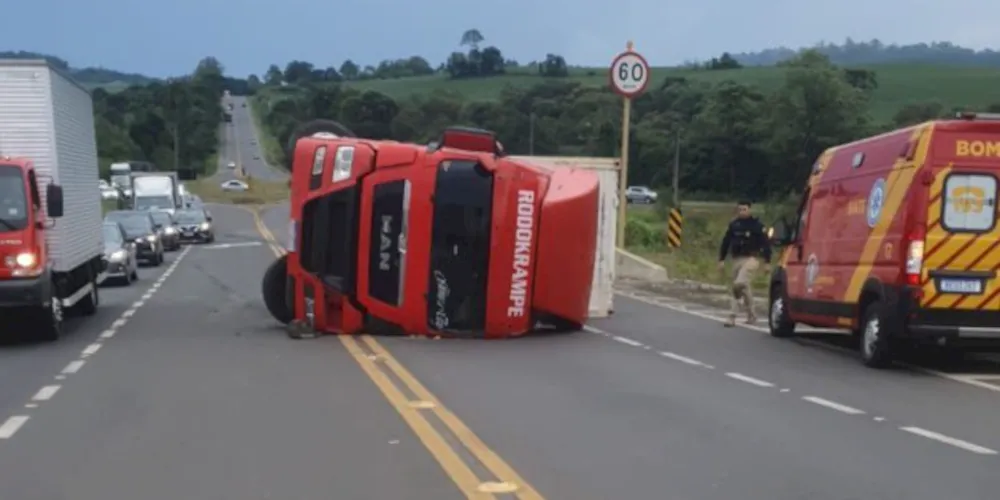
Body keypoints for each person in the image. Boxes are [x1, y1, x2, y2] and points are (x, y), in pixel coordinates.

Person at [717, 200, 772, 327]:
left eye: (745, 209)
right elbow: (726, 242)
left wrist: (767, 262)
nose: (742, 212)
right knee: (745, 288)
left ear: (750, 210)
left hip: (751, 259)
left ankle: (732, 315)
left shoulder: (757, 225)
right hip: (736, 259)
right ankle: (752, 315)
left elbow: (765, 243)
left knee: (738, 284)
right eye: (740, 209)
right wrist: (721, 259)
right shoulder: (734, 225)